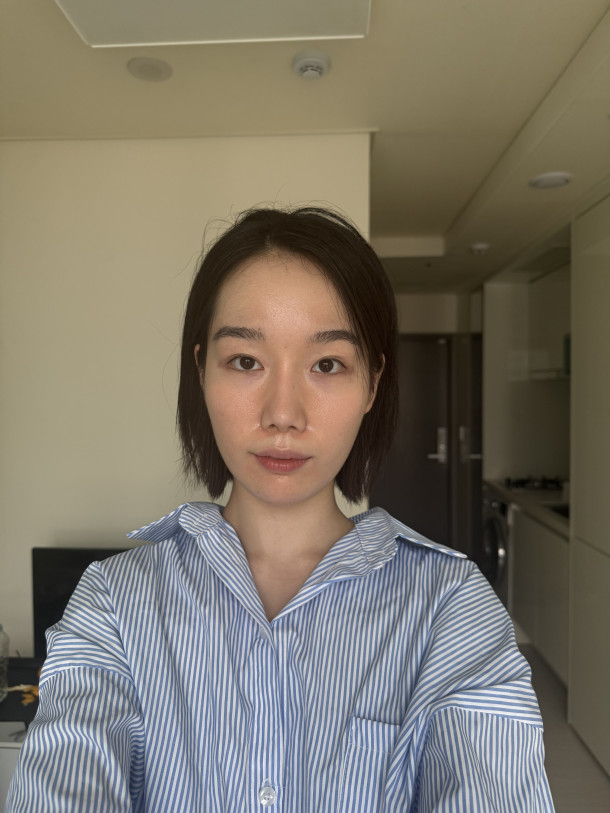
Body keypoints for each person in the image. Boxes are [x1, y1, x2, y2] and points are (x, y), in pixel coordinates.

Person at [7, 207, 555, 811]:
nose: (283, 414)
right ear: (201, 371)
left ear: (372, 384)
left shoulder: (449, 606)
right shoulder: (114, 603)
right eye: (246, 361)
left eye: (327, 364)